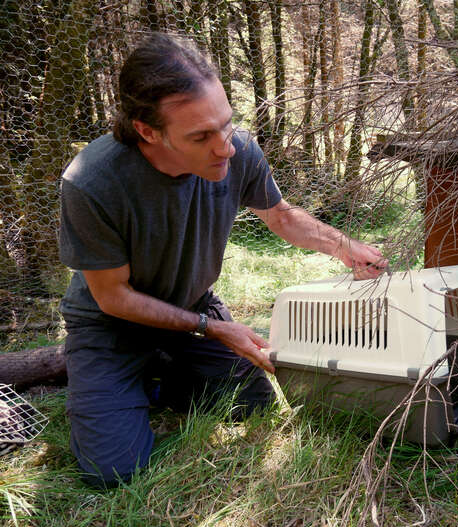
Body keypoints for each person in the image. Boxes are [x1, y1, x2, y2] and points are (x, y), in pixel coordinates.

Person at [58, 33, 385, 488]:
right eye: (201, 136)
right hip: (109, 323)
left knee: (251, 405)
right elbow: (112, 298)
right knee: (113, 471)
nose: (225, 147)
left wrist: (344, 247)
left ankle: (151, 380)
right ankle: (105, 380)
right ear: (148, 131)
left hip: (192, 304)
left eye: (226, 124)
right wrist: (212, 328)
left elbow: (283, 217)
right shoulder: (91, 182)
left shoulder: (239, 150)